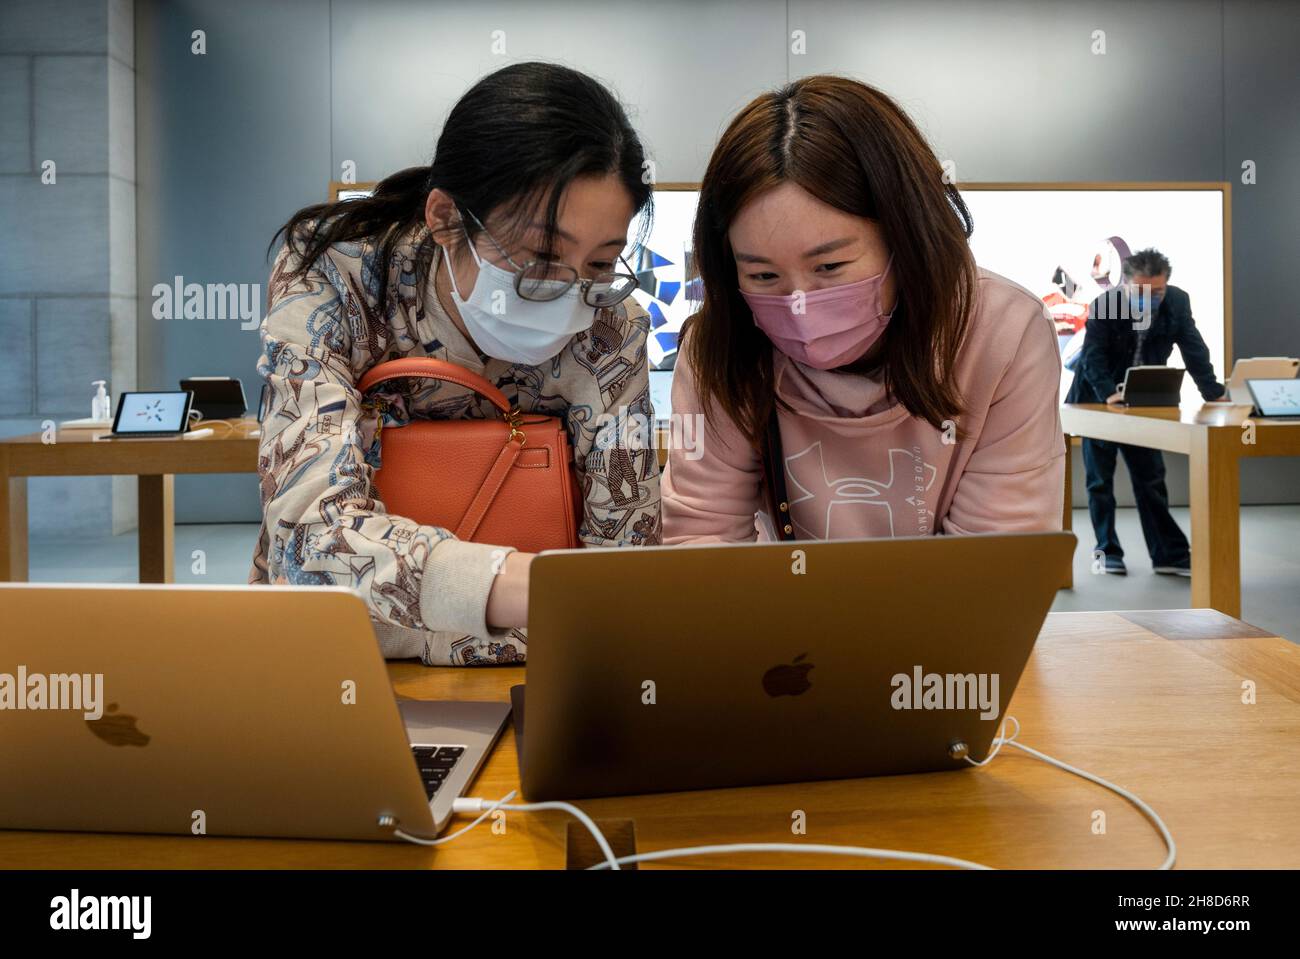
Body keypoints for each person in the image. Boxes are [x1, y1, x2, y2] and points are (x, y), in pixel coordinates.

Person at [250, 63, 660, 665]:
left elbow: (624, 578)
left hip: (541, 670)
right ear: (444, 220)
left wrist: (403, 622)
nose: (572, 292)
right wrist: (538, 595)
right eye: (540, 258)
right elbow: (311, 538)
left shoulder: (609, 325)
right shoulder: (336, 275)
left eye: (601, 263)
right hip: (336, 665)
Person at [661, 76, 1065, 544]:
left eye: (830, 266)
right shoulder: (720, 344)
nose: (798, 305)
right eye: (764, 276)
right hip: (778, 612)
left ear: (905, 237)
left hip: (948, 615)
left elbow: (998, 555)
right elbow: (701, 534)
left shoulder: (1003, 333)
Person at [1065, 248, 1226, 576]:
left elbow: (1194, 348)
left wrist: (1214, 393)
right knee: (1099, 480)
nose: (1150, 299)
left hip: (1144, 398)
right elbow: (1092, 356)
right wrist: (1109, 394)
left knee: (1151, 478)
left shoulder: (1177, 302)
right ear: (1125, 285)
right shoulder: (1107, 304)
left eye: (1157, 292)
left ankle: (1170, 555)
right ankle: (1107, 551)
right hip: (1096, 399)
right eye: (1141, 292)